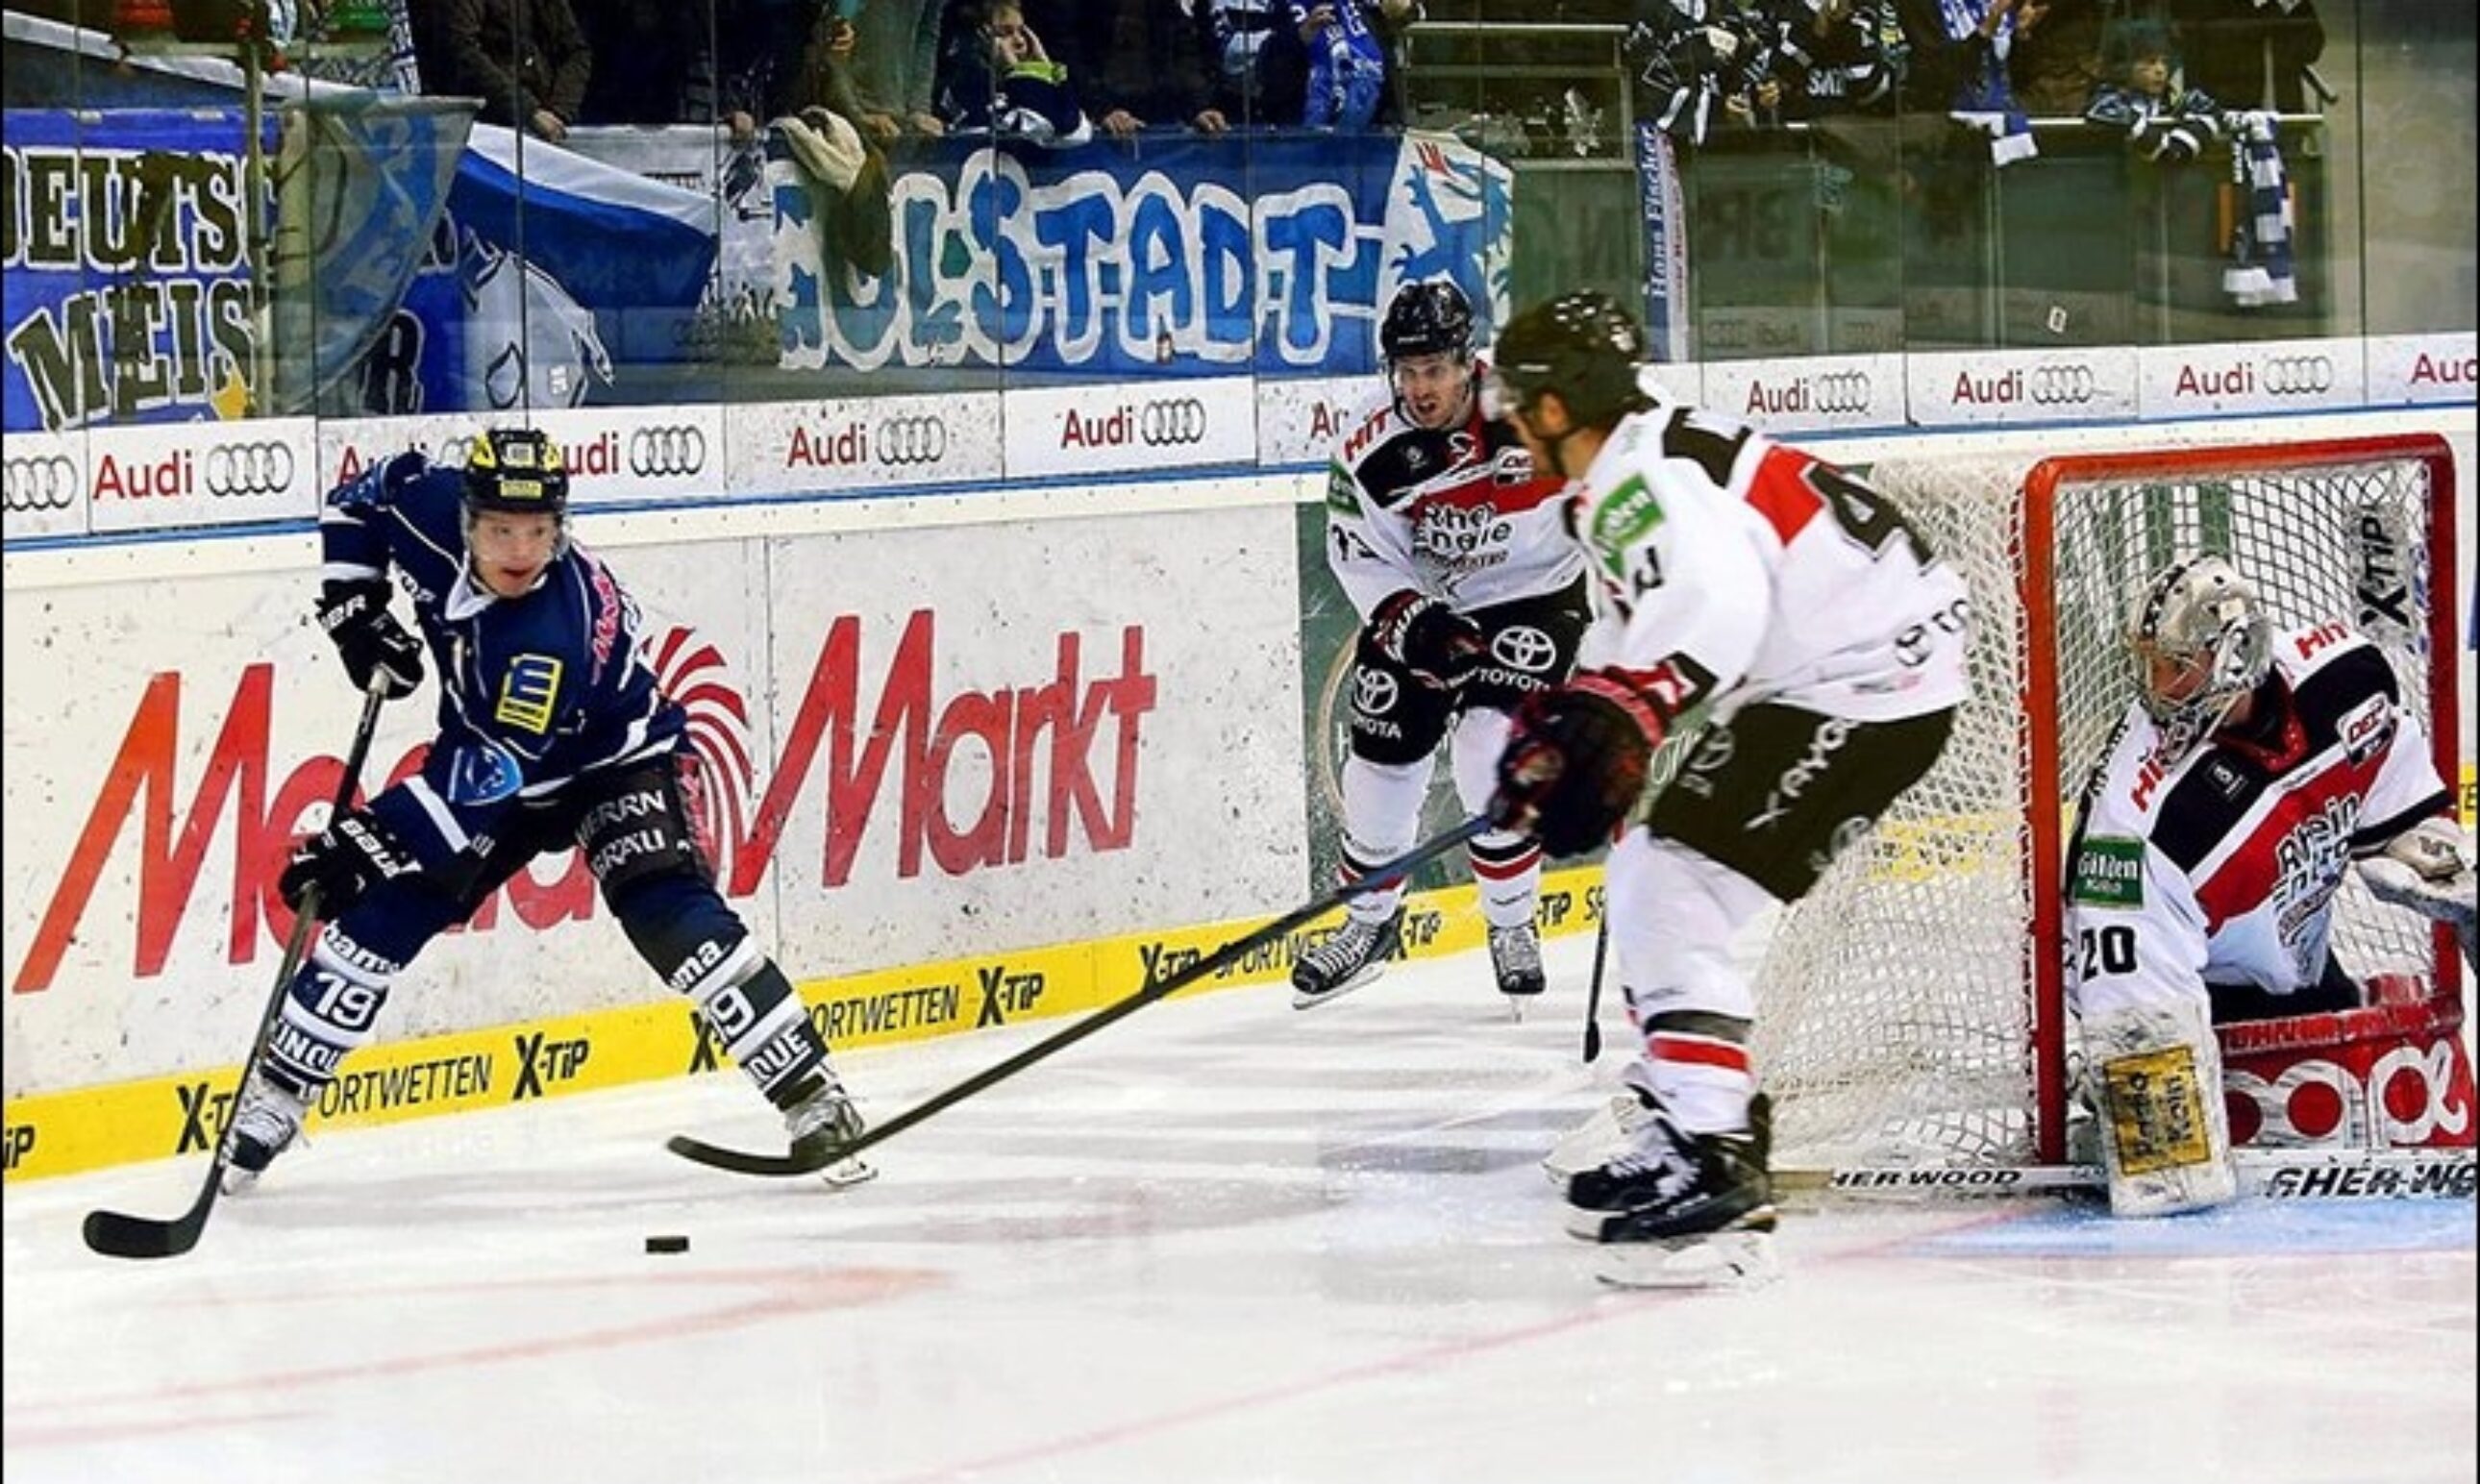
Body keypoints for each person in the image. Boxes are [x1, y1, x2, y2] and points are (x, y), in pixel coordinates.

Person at [225, 430, 874, 1191]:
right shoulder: (426, 508)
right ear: (465, 519)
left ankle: (813, 1097)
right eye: (501, 529)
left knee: (667, 913)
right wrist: (353, 606)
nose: (521, 550)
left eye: (538, 531)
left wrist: (361, 844)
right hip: (493, 761)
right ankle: (277, 1096)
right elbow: (359, 501)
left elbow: (482, 783)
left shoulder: (548, 636)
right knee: (380, 921)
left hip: (611, 764)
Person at [1486, 290, 1971, 1287]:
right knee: (1652, 876)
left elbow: (1714, 598)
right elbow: (1645, 610)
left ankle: (1715, 1165)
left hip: (1866, 682)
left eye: (1519, 401)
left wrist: (1631, 706)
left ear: (1556, 406)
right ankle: (1687, 1117)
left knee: (1669, 888)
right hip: (1858, 668)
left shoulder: (1636, 479)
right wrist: (1572, 728)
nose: (1508, 420)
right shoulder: (1635, 457)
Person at [2061, 555, 2473, 1218]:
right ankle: (2097, 1105)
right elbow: (2135, 1007)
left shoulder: (2345, 677)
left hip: (2294, 966)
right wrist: (2163, 1153)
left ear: (2237, 652)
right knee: (2193, 1184)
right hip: (2196, 1006)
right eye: (2149, 665)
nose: (2156, 688)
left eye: (2175, 665)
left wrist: (2439, 863)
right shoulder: (2142, 823)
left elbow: (2397, 810)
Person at [1290, 279, 1589, 1013]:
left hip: (1535, 593)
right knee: (1380, 760)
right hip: (1428, 602)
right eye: (1407, 371)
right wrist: (1413, 621)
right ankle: (1368, 924)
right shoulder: (1368, 445)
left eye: (1434, 370)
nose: (1419, 388)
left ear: (1466, 362)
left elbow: (1615, 474)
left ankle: (1512, 922)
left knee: (1488, 747)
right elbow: (1359, 551)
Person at [411, 0, 595, 144]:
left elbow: (576, 51)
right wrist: (528, 111)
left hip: (547, 125)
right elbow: (461, 53)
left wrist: (557, 112)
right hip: (487, 131)